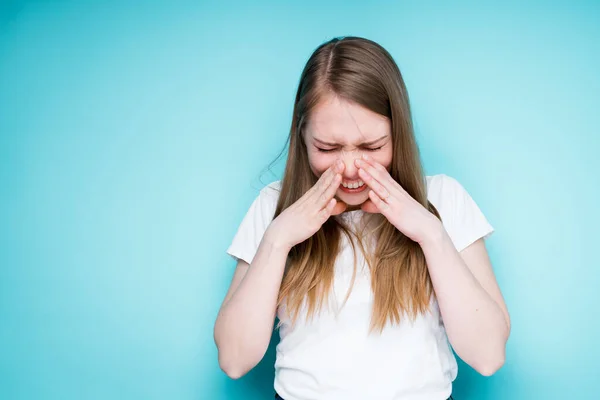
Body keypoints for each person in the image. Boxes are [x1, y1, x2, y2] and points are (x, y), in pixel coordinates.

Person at [213, 36, 511, 400]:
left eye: (372, 147)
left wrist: (431, 235)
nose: (351, 168)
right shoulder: (272, 206)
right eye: (327, 148)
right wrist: (277, 240)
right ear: (302, 136)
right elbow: (234, 360)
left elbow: (489, 356)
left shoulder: (444, 199)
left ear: (397, 135)